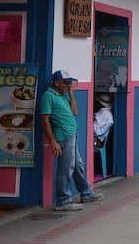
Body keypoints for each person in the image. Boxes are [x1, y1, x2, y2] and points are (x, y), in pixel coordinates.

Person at [39, 70, 102, 211]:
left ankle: (86, 193)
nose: (68, 85)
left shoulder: (62, 96)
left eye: (69, 83)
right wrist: (53, 141)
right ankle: (63, 200)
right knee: (66, 168)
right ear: (57, 83)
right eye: (66, 83)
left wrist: (70, 92)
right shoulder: (48, 96)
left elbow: (75, 112)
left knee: (78, 165)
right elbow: (45, 120)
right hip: (62, 137)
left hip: (72, 134)